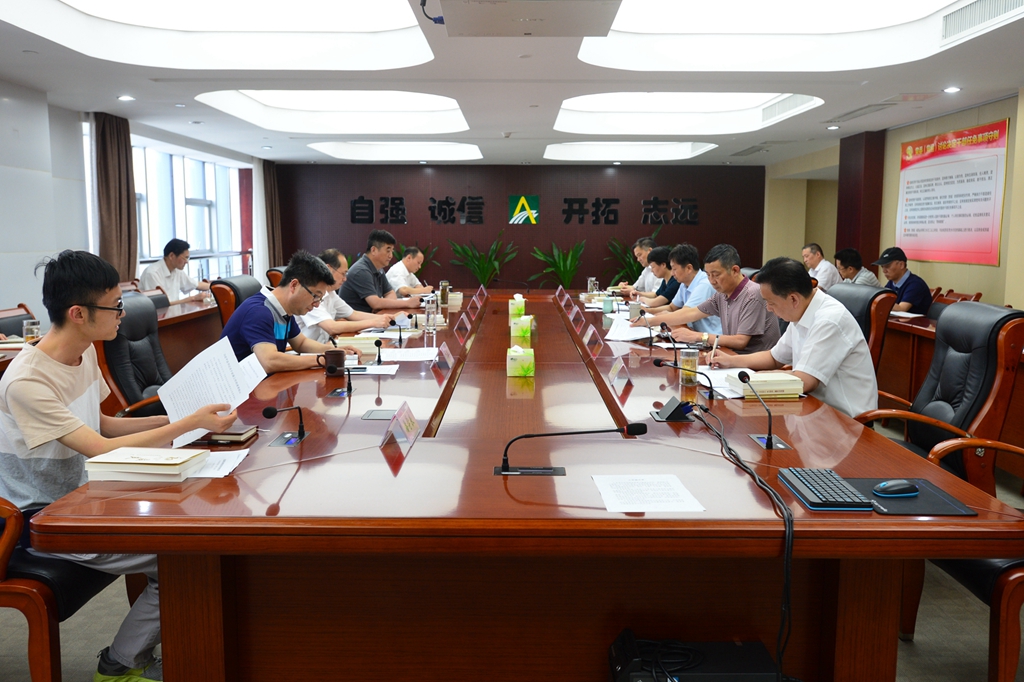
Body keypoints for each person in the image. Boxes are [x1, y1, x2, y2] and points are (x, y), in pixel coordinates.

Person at [0, 250, 238, 682]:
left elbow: (102, 424)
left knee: (192, 523)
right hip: (40, 520)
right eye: (115, 307)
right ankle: (121, 663)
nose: (122, 316)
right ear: (78, 313)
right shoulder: (27, 380)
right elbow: (100, 448)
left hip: (86, 496)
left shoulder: (84, 352)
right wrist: (187, 424)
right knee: (184, 555)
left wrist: (179, 418)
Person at [711, 257, 877, 417]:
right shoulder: (802, 311)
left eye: (771, 302)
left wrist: (755, 378)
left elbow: (804, 381)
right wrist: (731, 361)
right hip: (812, 408)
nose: (768, 308)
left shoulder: (829, 320)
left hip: (846, 421)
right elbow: (774, 358)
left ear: (793, 299)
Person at [221, 250, 360, 372]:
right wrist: (321, 359)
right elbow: (269, 361)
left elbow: (301, 343)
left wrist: (334, 351)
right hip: (240, 389)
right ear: (294, 285)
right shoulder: (259, 312)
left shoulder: (283, 310)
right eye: (315, 296)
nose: (317, 304)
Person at [665, 244, 781, 353]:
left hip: (752, 362)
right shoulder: (722, 294)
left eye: (716, 275)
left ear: (735, 270)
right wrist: (654, 320)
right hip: (730, 355)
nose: (712, 281)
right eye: (708, 275)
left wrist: (697, 336)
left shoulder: (753, 294)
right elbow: (693, 312)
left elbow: (740, 342)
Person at [298, 249, 395, 343]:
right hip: (308, 351)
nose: (345, 279)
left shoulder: (331, 293)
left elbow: (353, 314)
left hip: (325, 347)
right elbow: (332, 327)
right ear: (329, 269)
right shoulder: (310, 294)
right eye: (343, 274)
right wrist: (373, 323)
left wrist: (383, 318)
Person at [633, 243, 721, 336]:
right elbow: (672, 307)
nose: (672, 273)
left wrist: (650, 321)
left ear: (689, 268)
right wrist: (649, 311)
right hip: (692, 334)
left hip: (709, 338)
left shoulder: (704, 285)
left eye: (674, 269)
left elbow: (685, 314)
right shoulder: (684, 283)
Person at [339, 230, 417, 313]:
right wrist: (408, 303)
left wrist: (382, 306)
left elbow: (390, 293)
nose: (391, 256)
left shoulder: (379, 269)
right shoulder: (361, 271)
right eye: (388, 251)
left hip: (372, 316)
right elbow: (375, 303)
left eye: (392, 251)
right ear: (373, 250)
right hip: (356, 319)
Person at [138, 238, 211, 304]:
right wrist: (193, 298)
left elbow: (195, 284)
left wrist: (214, 286)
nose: (187, 262)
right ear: (171, 256)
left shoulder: (176, 270)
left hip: (174, 312)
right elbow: (162, 304)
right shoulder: (152, 273)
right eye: (185, 258)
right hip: (159, 313)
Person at [874, 247, 933, 315]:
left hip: (915, 321)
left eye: (887, 266)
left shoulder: (916, 284)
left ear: (901, 265)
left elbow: (901, 308)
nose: (884, 271)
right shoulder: (891, 283)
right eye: (882, 267)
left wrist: (876, 302)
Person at [628, 246, 679, 310]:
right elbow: (656, 295)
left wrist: (642, 299)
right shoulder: (665, 280)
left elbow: (655, 302)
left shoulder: (675, 282)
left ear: (663, 265)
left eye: (653, 267)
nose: (651, 270)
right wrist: (639, 294)